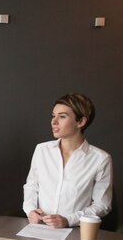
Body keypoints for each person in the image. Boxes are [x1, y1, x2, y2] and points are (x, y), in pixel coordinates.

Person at [23, 93, 112, 228]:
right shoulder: (42, 150)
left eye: (62, 116)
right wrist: (30, 210)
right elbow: (31, 186)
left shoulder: (100, 159)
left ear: (81, 122)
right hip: (38, 227)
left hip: (74, 231)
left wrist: (69, 220)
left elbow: (103, 205)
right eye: (53, 115)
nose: (54, 121)